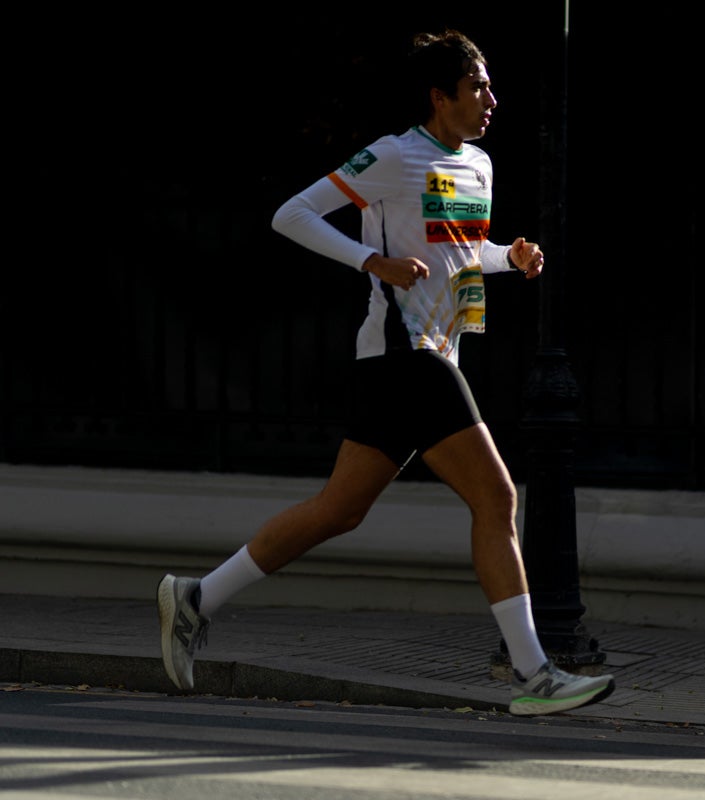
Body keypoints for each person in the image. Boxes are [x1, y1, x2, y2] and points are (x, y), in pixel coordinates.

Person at [156, 29, 615, 716]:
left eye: (489, 85)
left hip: (415, 361)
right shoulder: (394, 156)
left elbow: (460, 251)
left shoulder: (480, 166)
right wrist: (372, 263)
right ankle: (534, 673)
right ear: (440, 96)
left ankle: (196, 596)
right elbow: (293, 215)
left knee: (338, 511)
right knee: (497, 500)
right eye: (478, 86)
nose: (491, 97)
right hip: (410, 356)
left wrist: (506, 258)